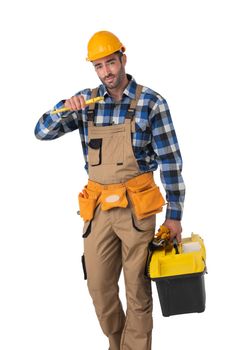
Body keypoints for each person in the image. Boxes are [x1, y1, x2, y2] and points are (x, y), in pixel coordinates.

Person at [34, 30, 185, 350]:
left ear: (123, 59)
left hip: (136, 209)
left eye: (111, 63)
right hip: (98, 209)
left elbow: (171, 160)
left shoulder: (151, 102)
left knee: (138, 290)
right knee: (100, 288)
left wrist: (174, 216)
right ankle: (117, 344)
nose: (107, 72)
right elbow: (41, 132)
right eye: (99, 66)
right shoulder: (87, 103)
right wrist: (64, 107)